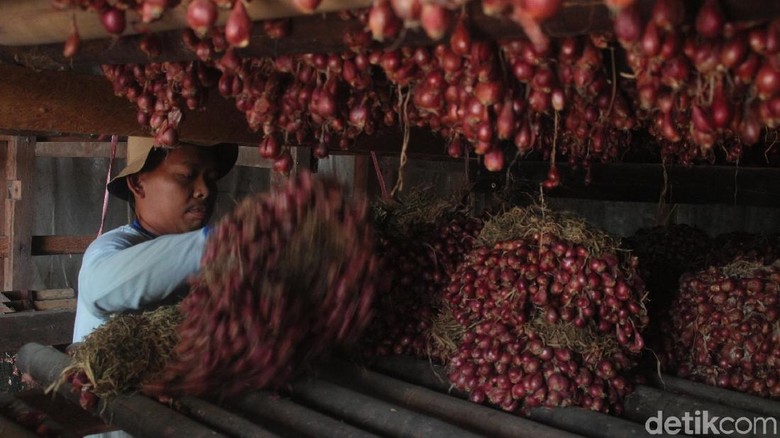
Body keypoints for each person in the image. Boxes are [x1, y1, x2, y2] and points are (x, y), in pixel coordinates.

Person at [73, 136, 238, 343]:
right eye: (187, 176)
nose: (204, 191)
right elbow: (99, 289)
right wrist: (217, 242)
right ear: (137, 184)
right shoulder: (111, 247)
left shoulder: (215, 261)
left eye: (211, 179)